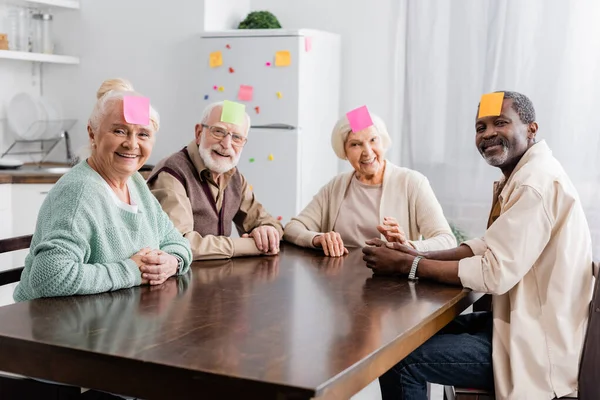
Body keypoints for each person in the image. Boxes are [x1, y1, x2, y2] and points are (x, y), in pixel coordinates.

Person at [363, 91, 594, 399]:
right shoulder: (526, 174)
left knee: (398, 359)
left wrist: (410, 265)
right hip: (519, 325)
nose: (488, 134)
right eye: (480, 127)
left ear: (532, 129)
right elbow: (488, 245)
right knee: (403, 336)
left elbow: (494, 274)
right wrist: (419, 253)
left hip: (536, 347)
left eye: (500, 122)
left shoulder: (532, 184)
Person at [13, 79, 192, 302]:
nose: (132, 144)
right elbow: (49, 275)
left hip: (114, 316)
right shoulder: (80, 192)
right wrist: (132, 271)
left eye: (143, 134)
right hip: (56, 326)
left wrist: (171, 262)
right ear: (92, 134)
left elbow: (177, 242)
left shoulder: (135, 182)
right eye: (120, 131)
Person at [283, 110, 456, 257]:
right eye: (356, 144)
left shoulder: (412, 183)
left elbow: (447, 240)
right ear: (344, 152)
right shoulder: (335, 187)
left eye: (373, 140)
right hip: (340, 287)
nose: (367, 152)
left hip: (394, 287)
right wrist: (317, 238)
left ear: (383, 141)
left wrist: (408, 247)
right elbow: (292, 228)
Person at [147, 101, 283, 261]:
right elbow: (178, 243)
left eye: (237, 138)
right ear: (199, 133)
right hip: (181, 279)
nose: (226, 144)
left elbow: (268, 222)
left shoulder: (233, 175)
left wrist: (267, 230)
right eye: (218, 132)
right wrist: (249, 246)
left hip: (220, 278)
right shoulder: (172, 171)